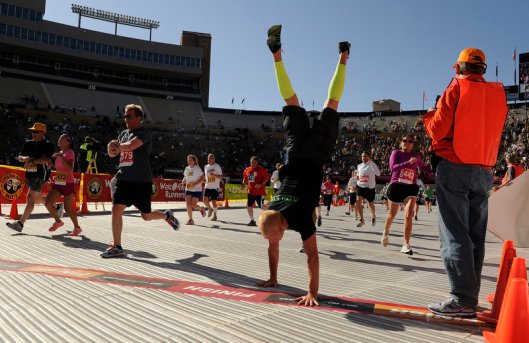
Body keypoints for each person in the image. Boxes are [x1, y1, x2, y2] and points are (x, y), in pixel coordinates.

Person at [257, 24, 350, 306]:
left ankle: (344, 56)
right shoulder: (271, 211)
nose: (273, 241)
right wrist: (273, 278)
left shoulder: (296, 220)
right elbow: (273, 246)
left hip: (315, 156)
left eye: (273, 236)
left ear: (282, 226)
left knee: (331, 104)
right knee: (291, 100)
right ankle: (277, 57)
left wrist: (312, 293)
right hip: (296, 154)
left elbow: (313, 256)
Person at [423, 48, 508, 317]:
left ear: (459, 67)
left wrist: (428, 116)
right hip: (483, 169)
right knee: (475, 235)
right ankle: (469, 295)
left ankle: (462, 298)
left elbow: (437, 129)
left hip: (454, 165)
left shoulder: (456, 87)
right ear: (482, 69)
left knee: (454, 231)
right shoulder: (499, 92)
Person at [101, 104, 180, 258]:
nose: (126, 119)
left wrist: (117, 146)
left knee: (146, 215)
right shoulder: (123, 134)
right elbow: (113, 154)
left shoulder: (144, 133)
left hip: (141, 181)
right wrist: (110, 146)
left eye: (129, 116)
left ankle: (166, 216)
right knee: (116, 209)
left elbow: (130, 146)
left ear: (139, 118)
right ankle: (117, 246)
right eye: (124, 116)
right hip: (123, 178)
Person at [381, 135, 431, 255]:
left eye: (410, 141)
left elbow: (423, 167)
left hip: (411, 187)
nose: (407, 143)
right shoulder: (396, 153)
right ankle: (386, 232)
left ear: (413, 144)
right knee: (392, 215)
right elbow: (393, 168)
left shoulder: (416, 156)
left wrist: (434, 168)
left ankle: (406, 244)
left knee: (409, 214)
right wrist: (408, 162)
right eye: (404, 141)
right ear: (401, 142)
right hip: (396, 186)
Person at [6, 123, 54, 232]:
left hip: (42, 174)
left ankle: (20, 224)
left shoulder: (48, 144)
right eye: (32, 131)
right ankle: (56, 207)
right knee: (37, 198)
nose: (33, 134)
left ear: (43, 133)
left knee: (30, 198)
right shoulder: (28, 143)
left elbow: (46, 160)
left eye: (36, 132)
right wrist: (24, 158)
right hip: (30, 174)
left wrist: (31, 160)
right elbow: (20, 156)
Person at [45, 134, 82, 236]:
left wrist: (61, 157)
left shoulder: (70, 152)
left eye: (62, 139)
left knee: (68, 209)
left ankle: (77, 227)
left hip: (68, 182)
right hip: (59, 181)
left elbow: (70, 168)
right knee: (48, 203)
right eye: (59, 138)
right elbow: (60, 168)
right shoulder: (60, 152)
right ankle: (58, 221)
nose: (59, 140)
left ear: (68, 142)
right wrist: (51, 163)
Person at [242, 156, 269, 226]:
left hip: (260, 192)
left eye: (254, 162)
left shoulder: (261, 169)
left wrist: (260, 184)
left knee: (261, 206)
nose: (252, 164)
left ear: (257, 162)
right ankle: (252, 220)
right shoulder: (247, 170)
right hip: (251, 191)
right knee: (248, 206)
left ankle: (274, 214)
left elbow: (266, 178)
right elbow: (245, 178)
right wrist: (243, 184)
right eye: (251, 162)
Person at [356, 151, 380, 227]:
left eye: (365, 156)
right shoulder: (359, 165)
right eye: (362, 156)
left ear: (369, 157)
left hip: (370, 188)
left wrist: (372, 164)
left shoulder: (372, 165)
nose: (363, 157)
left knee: (371, 204)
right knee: (358, 202)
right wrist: (357, 181)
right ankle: (362, 220)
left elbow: (378, 174)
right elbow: (358, 175)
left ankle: (373, 216)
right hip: (360, 186)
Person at [182, 154, 206, 225]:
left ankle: (201, 209)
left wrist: (195, 184)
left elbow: (203, 178)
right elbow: (185, 177)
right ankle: (191, 219)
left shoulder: (197, 168)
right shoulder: (187, 168)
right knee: (188, 204)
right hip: (188, 188)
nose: (189, 161)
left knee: (193, 205)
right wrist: (183, 181)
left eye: (190, 160)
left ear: (194, 161)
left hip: (197, 189)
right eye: (188, 160)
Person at [203, 153, 223, 221]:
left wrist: (215, 176)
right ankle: (210, 208)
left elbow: (221, 176)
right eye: (208, 158)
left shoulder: (217, 166)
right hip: (207, 186)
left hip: (215, 187)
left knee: (213, 201)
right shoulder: (206, 166)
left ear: (214, 159)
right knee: (205, 200)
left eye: (211, 158)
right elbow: (206, 176)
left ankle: (215, 215)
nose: (209, 159)